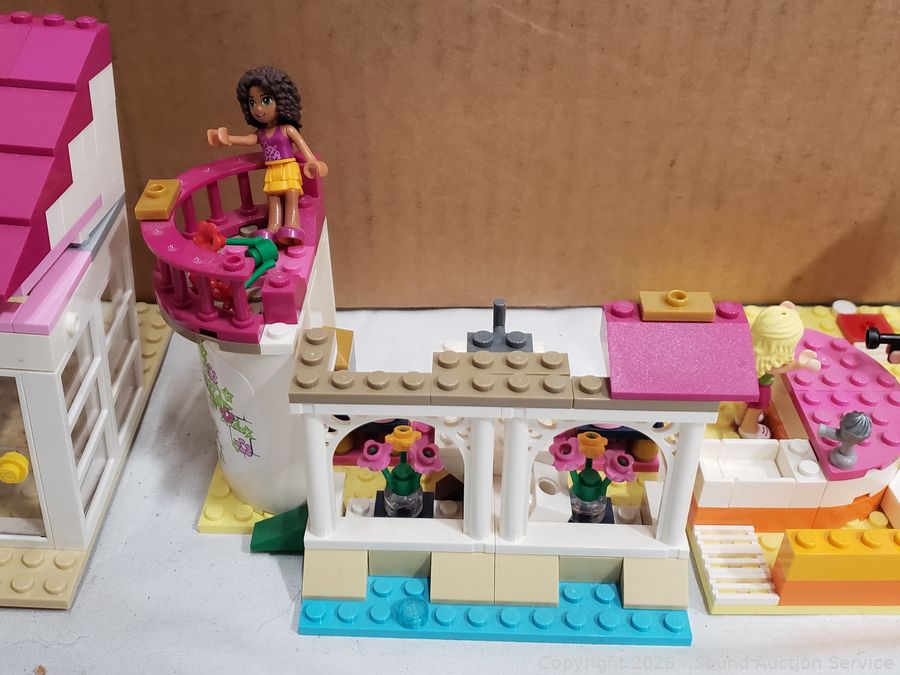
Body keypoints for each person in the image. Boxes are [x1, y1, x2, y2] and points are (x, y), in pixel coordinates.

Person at [207, 66, 328, 237]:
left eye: (265, 100)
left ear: (282, 100)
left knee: (291, 195)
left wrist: (311, 161)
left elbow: (303, 146)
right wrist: (228, 139)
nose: (258, 108)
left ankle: (292, 224)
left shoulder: (287, 129)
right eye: (252, 102)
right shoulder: (262, 133)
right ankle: (273, 226)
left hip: (287, 167)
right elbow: (249, 139)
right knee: (273, 198)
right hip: (272, 170)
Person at [738, 301, 820, 439]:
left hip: (749, 384)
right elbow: (780, 368)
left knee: (749, 402)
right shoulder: (769, 362)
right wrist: (801, 364)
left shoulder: (753, 349)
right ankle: (748, 429)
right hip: (761, 386)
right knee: (757, 406)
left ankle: (741, 417)